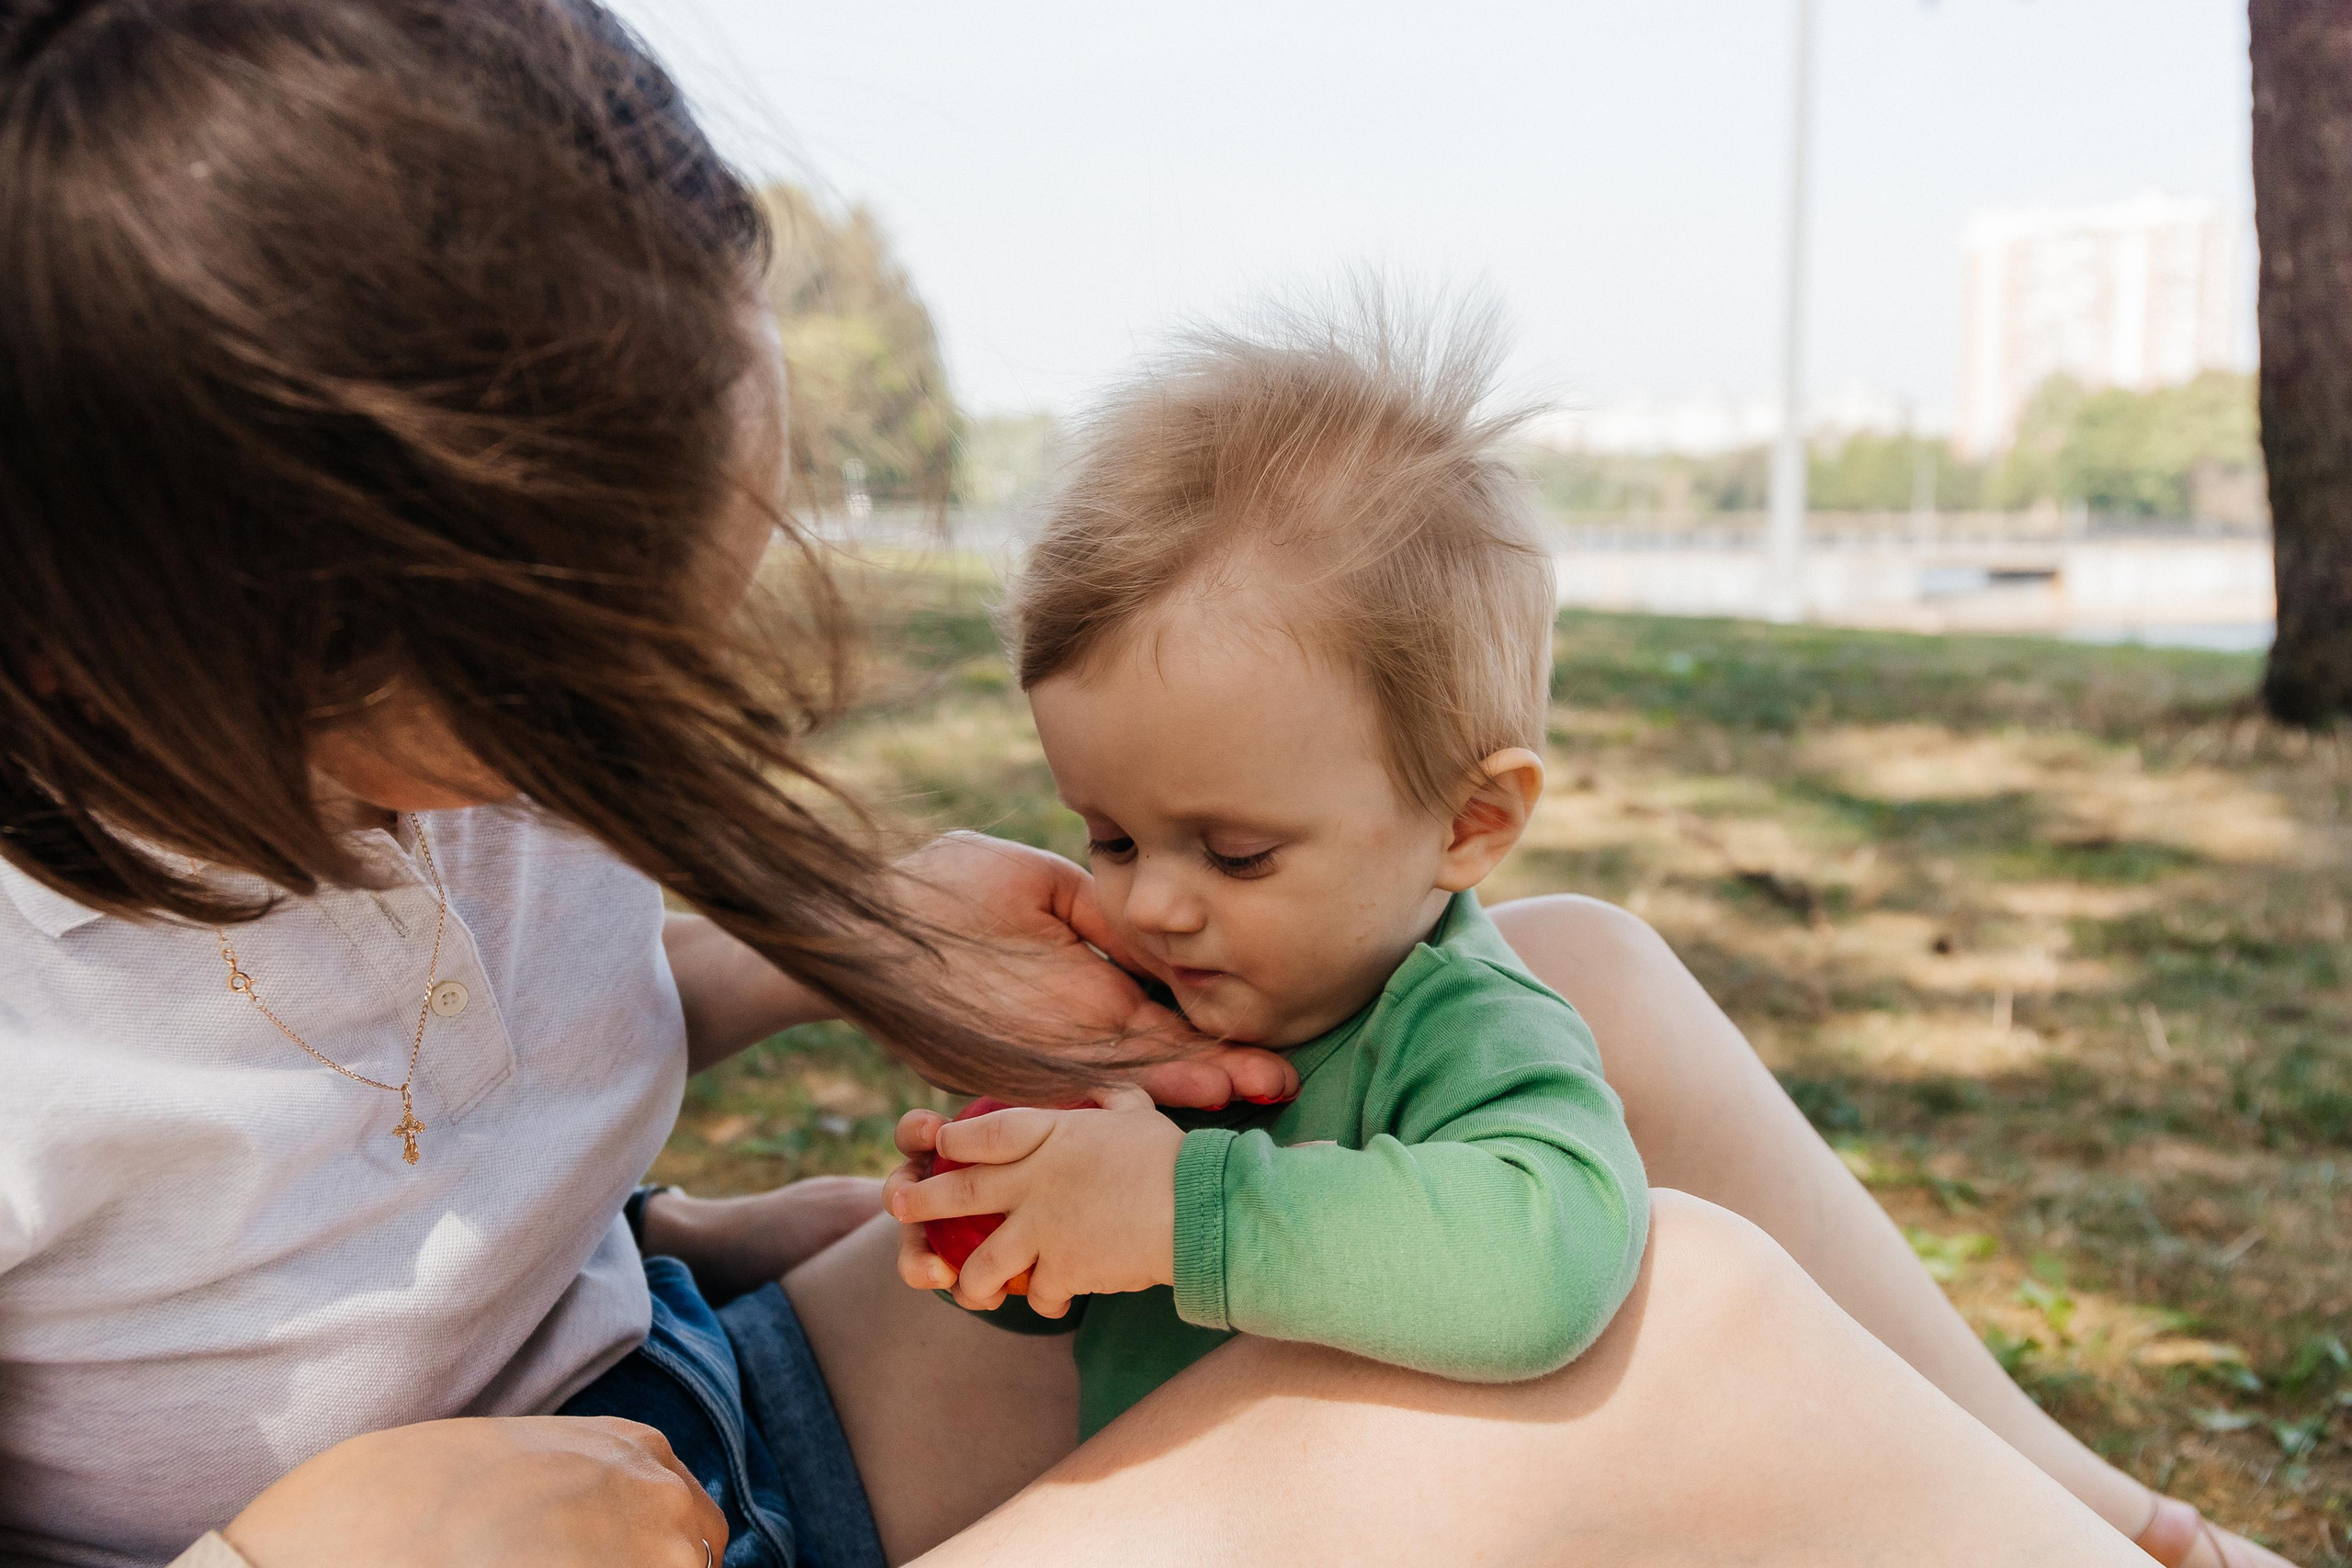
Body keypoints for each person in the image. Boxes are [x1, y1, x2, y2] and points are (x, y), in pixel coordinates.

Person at [0, 2, 2274, 1565]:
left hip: (689, 1396)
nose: (683, 692)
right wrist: (287, 1544)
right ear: (285, 632)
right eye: (610, 667)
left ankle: (2097, 1502)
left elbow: (422, 1068)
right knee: (1666, 1326)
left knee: (1559, 977)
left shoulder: (426, 773)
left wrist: (839, 948)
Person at [888, 310, 1652, 1443]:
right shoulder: (1137, 1009)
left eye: (1237, 855)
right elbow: (1088, 1299)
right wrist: (1009, 1207)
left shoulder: (1460, 1031)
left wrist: (1184, 1214)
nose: (1151, 906)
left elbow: (1550, 1257)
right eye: (1111, 838)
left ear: (1469, 823)